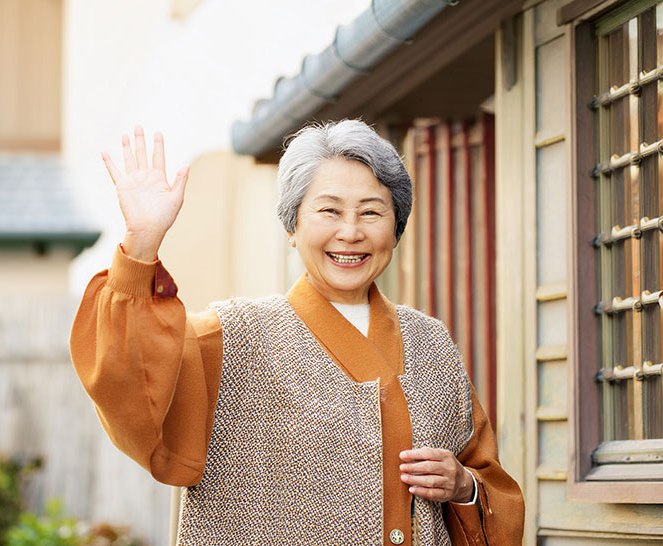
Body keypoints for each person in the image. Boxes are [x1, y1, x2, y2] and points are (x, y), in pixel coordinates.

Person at [70, 120, 524, 546]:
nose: (350, 232)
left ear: (396, 227)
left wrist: (464, 487)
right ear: (293, 225)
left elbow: (488, 481)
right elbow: (128, 388)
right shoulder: (232, 337)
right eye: (329, 210)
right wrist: (142, 243)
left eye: (371, 212)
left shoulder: (431, 342)